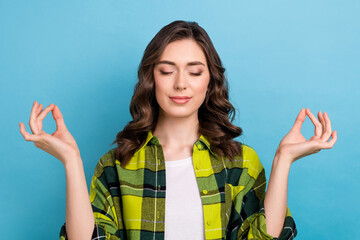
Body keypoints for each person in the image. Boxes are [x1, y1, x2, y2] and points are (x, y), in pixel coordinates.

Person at [19, 20, 337, 240]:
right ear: (151, 78)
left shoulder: (240, 162)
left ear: (210, 81)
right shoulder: (116, 164)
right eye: (167, 70)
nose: (181, 83)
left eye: (195, 72)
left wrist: (283, 160)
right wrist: (71, 160)